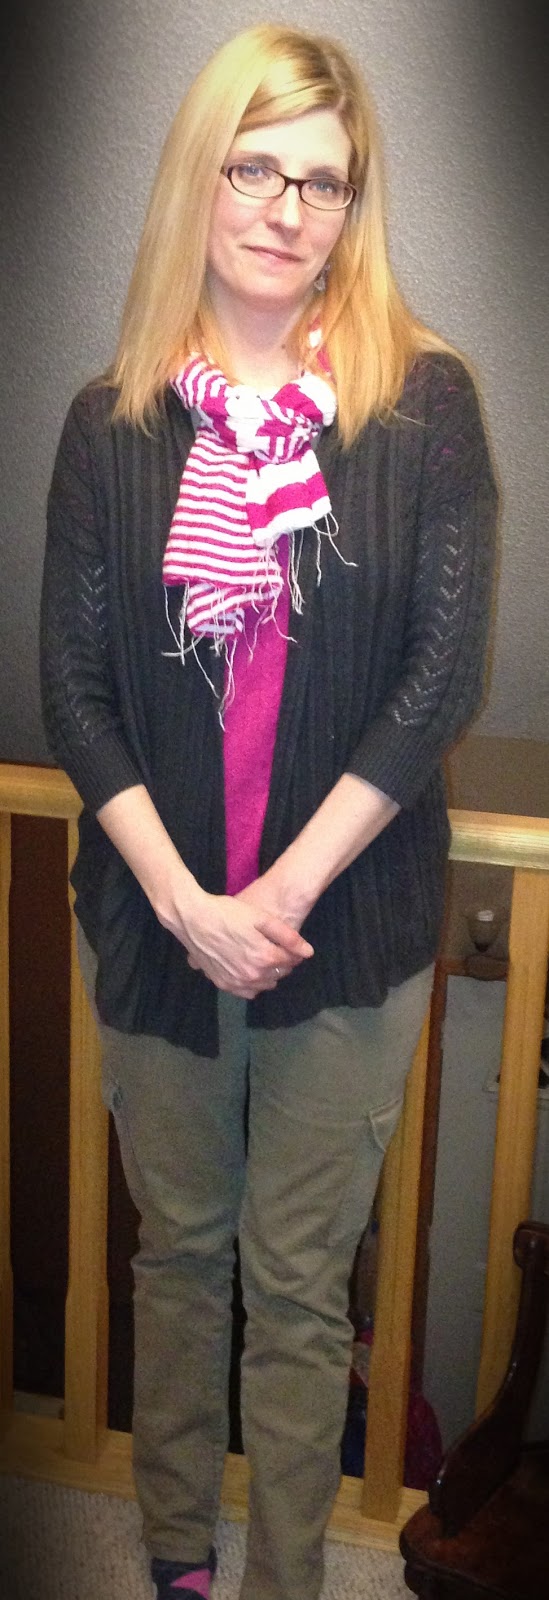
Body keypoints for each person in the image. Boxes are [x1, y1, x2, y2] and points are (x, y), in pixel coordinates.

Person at [40, 22, 498, 1600]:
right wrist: (186, 906)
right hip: (157, 923)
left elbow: (437, 680)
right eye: (255, 167)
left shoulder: (421, 408)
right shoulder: (112, 426)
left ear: (352, 206)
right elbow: (75, 693)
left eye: (324, 180)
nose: (286, 208)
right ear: (200, 176)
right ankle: (175, 1552)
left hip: (341, 931)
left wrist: (277, 899)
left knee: (299, 1286)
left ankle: (286, 1575)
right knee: (175, 1262)